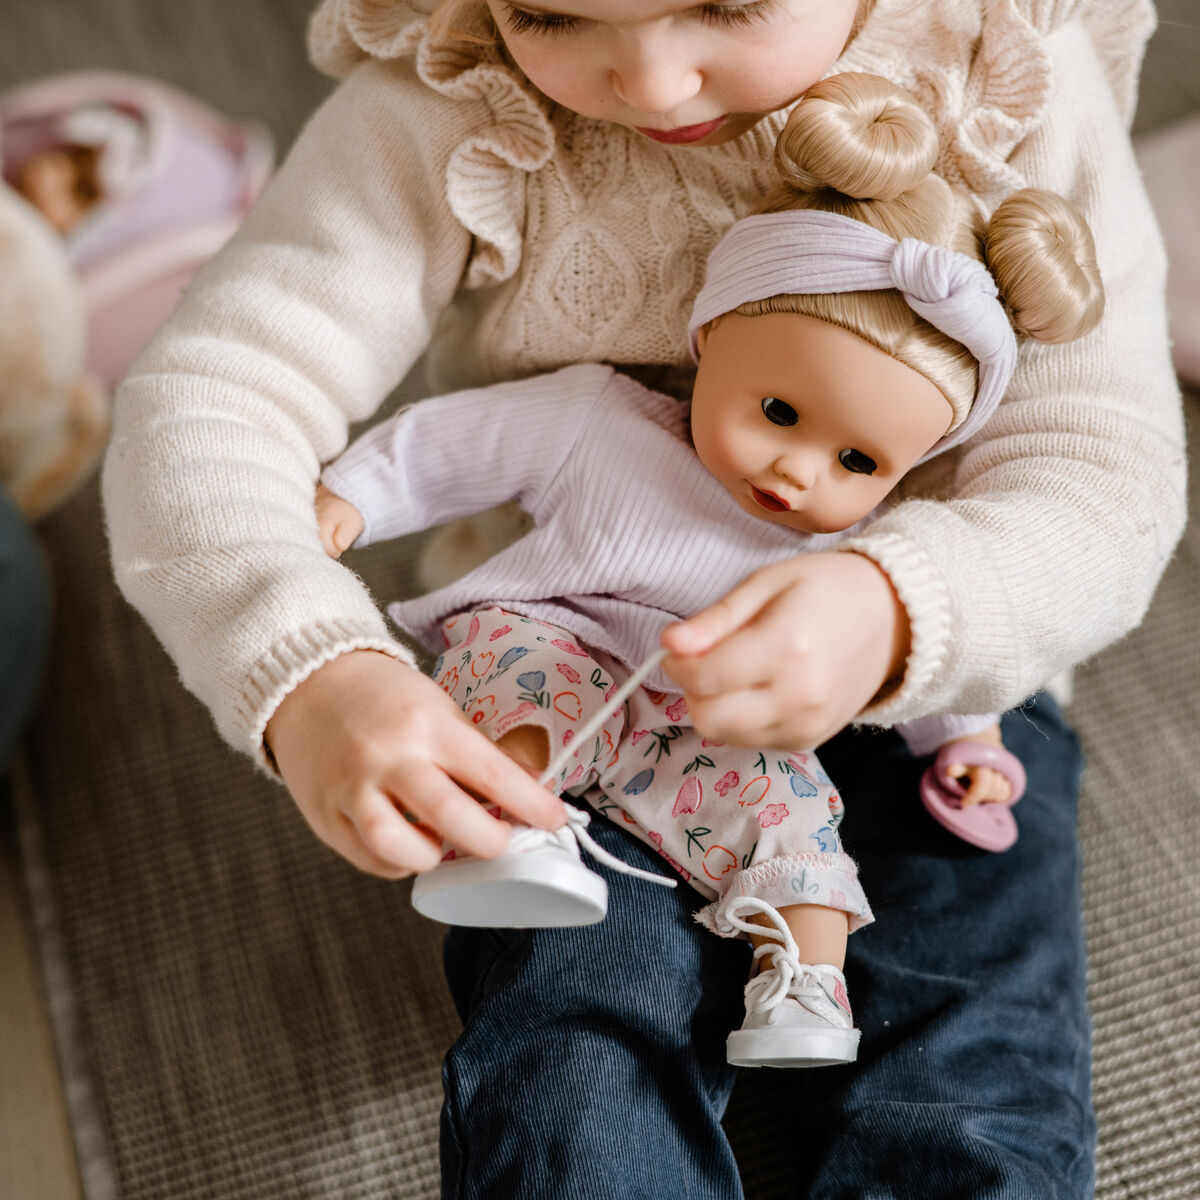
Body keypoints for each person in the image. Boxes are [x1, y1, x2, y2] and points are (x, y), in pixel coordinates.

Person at [101, 0, 1184, 1194]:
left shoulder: (1009, 72)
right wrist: (306, 664)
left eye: (724, 5)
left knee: (978, 1090)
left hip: (945, 690)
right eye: (551, 14)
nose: (656, 85)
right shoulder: (453, 89)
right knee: (571, 1065)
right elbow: (213, 392)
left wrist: (894, 609)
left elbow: (1103, 479)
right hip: (576, 649)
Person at [312, 72, 1077, 1070]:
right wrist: (353, 496)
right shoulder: (601, 421)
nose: (799, 475)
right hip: (563, 636)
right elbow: (449, 447)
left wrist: (966, 740)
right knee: (518, 677)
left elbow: (916, 635)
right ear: (712, 338)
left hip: (705, 717)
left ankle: (802, 982)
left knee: (797, 814)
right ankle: (506, 832)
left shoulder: (861, 549)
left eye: (859, 463)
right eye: (780, 414)